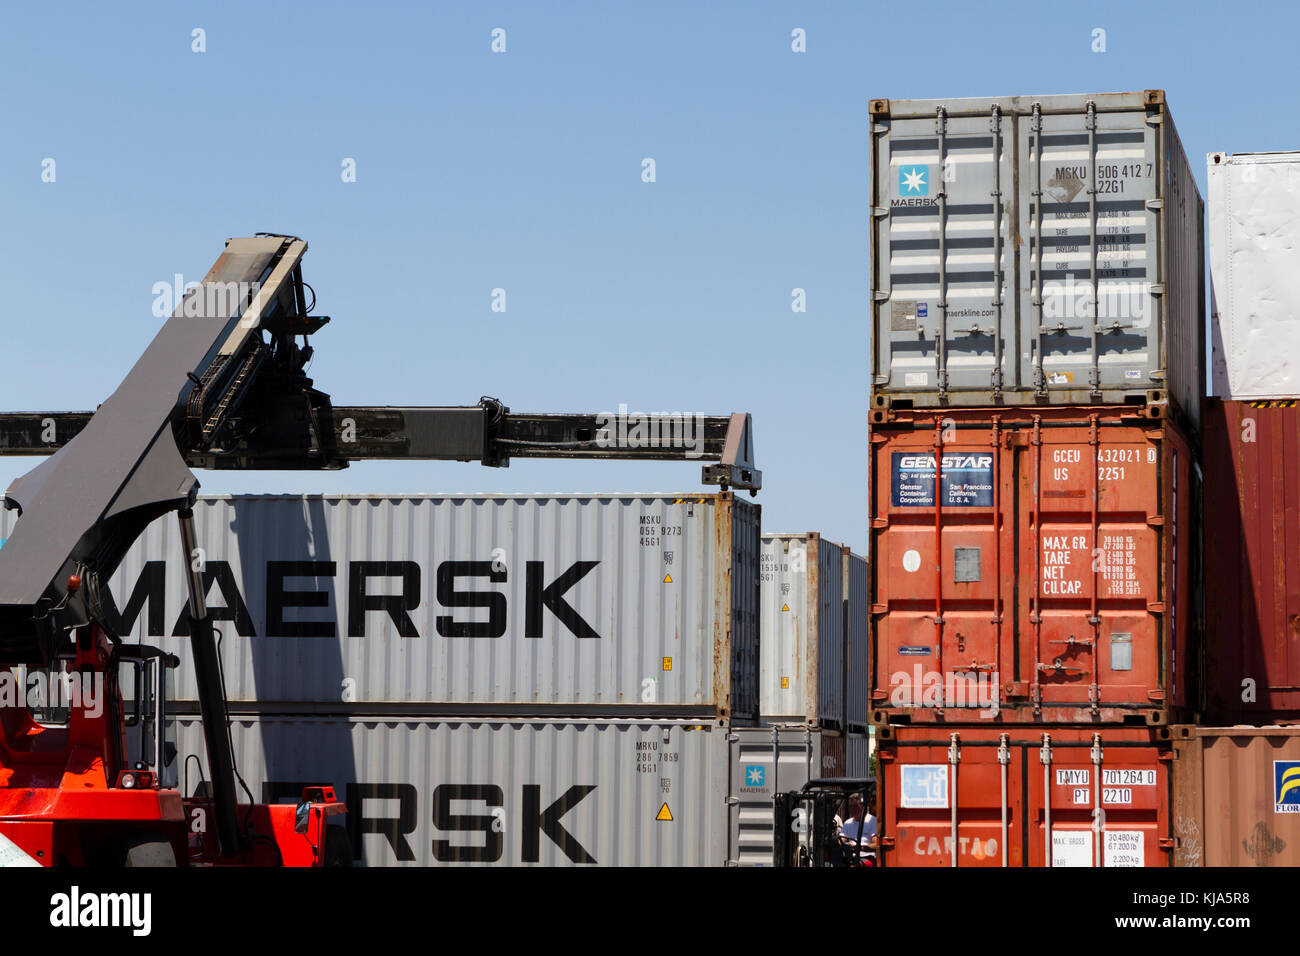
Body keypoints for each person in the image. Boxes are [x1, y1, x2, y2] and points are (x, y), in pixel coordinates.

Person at [837, 795, 877, 865]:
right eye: (850, 807)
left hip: (868, 857)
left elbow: (876, 844)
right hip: (852, 858)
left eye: (855, 806)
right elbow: (841, 840)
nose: (853, 809)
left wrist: (859, 848)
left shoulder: (872, 821)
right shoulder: (848, 823)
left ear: (862, 806)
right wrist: (847, 845)